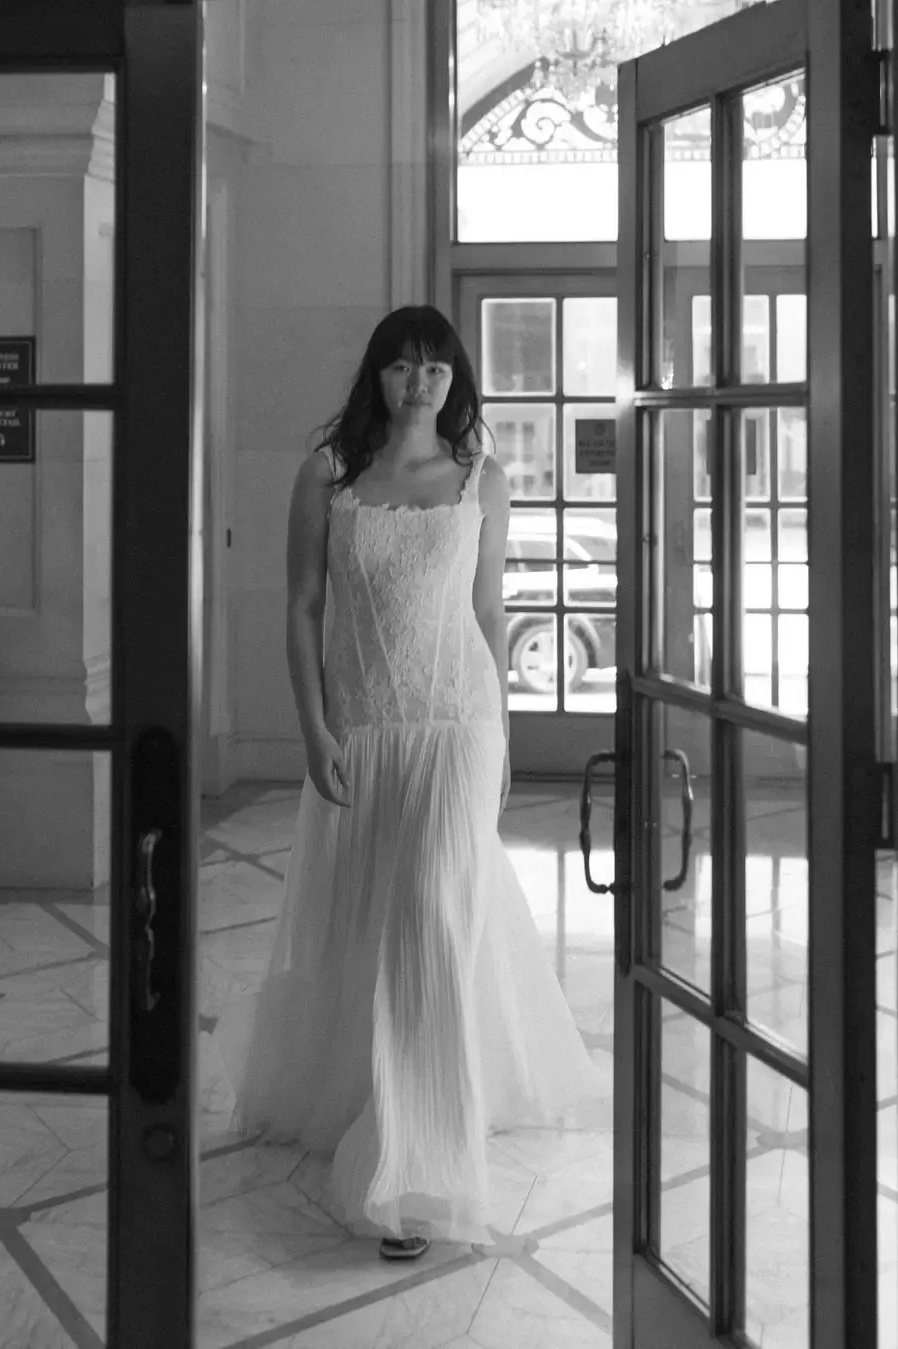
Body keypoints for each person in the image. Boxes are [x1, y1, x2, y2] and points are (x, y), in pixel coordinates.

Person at [208, 305, 608, 1262]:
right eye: (400, 366)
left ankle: (415, 1168)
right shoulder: (330, 476)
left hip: (458, 726)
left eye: (434, 367)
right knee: (376, 920)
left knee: (430, 912)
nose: (418, 382)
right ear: (377, 378)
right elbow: (303, 608)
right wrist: (312, 728)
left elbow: (487, 608)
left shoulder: (483, 479)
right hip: (365, 728)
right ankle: (383, 1090)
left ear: (455, 378)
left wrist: (502, 737)